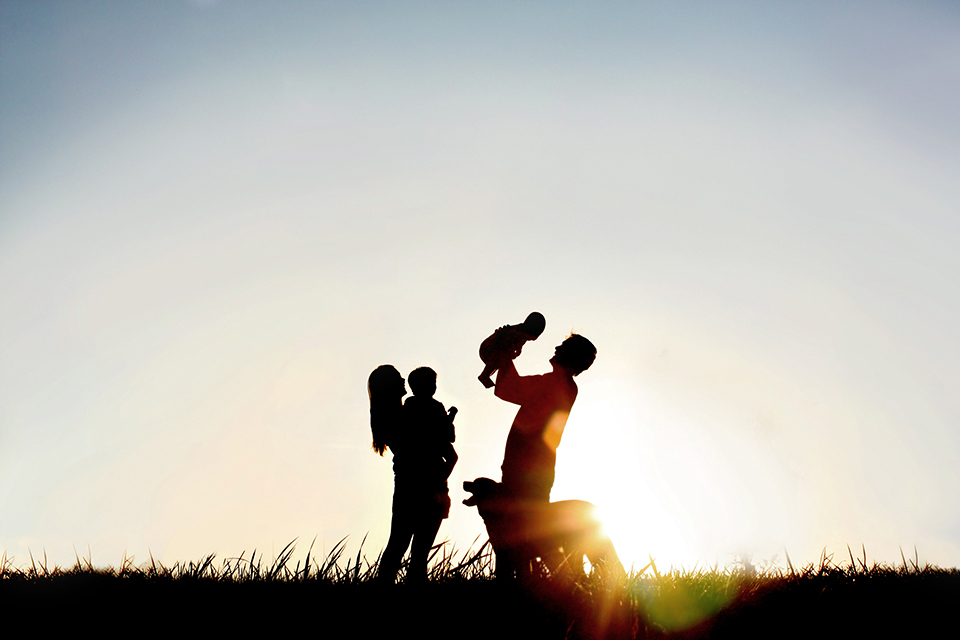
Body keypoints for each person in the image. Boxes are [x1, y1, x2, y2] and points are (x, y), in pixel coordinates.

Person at [368, 364, 458, 583]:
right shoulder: (401, 415)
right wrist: (444, 423)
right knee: (409, 549)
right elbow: (434, 442)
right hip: (423, 486)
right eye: (399, 377)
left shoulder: (402, 412)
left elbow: (438, 441)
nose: (403, 380)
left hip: (416, 486)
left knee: (403, 546)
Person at [494, 334, 596, 503]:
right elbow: (506, 389)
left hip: (526, 470)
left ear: (571, 355)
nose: (556, 348)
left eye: (563, 347)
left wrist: (504, 353)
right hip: (532, 469)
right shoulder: (564, 385)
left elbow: (507, 389)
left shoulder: (555, 383)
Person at [478, 312, 546, 388]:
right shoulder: (515, 332)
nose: (530, 339)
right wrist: (511, 353)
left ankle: (500, 379)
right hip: (489, 348)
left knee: (503, 360)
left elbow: (520, 344)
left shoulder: (523, 336)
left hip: (499, 350)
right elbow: (506, 343)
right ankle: (484, 376)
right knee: (500, 358)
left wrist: (518, 350)